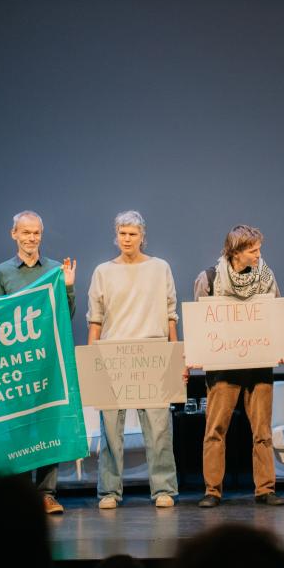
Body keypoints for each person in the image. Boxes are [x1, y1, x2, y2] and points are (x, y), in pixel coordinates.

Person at [192, 224, 284, 507]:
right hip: (223, 366)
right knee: (215, 430)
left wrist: (283, 346)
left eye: (259, 249)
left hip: (259, 365)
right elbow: (200, 322)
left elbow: (275, 316)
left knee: (262, 431)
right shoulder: (210, 278)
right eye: (253, 250)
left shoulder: (266, 276)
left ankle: (265, 489)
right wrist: (198, 351)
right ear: (235, 252)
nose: (259, 254)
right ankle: (212, 490)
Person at [87, 211, 180, 509]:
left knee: (159, 428)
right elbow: (95, 319)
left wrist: (175, 355)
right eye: (122, 233)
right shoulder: (103, 271)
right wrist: (91, 360)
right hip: (112, 355)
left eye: (133, 234)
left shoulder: (160, 268)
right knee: (110, 431)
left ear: (142, 236)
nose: (127, 239)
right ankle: (109, 491)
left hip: (153, 352)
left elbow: (170, 313)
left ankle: (163, 488)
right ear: (116, 236)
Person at [0, 210, 76, 514]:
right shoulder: (1, 272)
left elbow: (66, 315)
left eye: (36, 232)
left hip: (48, 362)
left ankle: (46, 494)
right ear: (14, 234)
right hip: (17, 364)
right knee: (19, 429)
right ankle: (23, 496)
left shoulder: (54, 270)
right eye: (25, 232)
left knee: (48, 426)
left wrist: (68, 286)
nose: (31, 238)